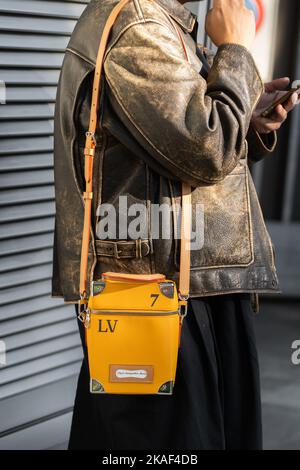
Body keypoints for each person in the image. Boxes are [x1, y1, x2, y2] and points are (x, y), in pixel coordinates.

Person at [52, 0, 299, 450]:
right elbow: (207, 149)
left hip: (187, 282)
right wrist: (237, 50)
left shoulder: (160, 23)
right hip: (162, 294)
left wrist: (244, 111)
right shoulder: (138, 25)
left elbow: (181, 146)